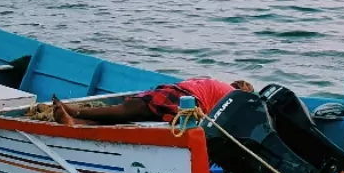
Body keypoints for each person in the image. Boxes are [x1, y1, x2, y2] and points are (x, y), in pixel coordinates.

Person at [52, 76, 253, 126]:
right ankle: (76, 113)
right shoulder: (231, 94)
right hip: (181, 98)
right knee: (130, 111)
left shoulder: (215, 84)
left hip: (175, 94)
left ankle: (76, 121)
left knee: (131, 113)